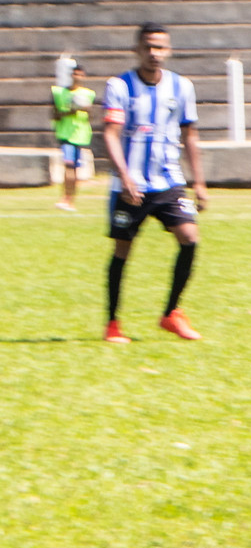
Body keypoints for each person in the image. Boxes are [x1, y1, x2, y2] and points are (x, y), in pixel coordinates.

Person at [101, 23, 207, 344]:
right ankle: (112, 324)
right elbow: (110, 133)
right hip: (131, 185)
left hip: (168, 182)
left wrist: (198, 182)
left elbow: (190, 135)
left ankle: (171, 314)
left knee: (190, 238)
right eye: (148, 47)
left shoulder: (181, 87)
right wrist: (124, 175)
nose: (154, 54)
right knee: (123, 250)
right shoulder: (119, 85)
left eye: (159, 47)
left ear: (168, 50)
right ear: (137, 49)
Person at [51, 63, 94, 212]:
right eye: (75, 74)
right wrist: (70, 111)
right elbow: (55, 115)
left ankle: (70, 200)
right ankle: (64, 198)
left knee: (74, 169)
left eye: (80, 74)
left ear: (83, 76)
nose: (77, 77)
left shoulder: (88, 94)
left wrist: (86, 109)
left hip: (81, 135)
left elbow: (91, 117)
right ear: (71, 75)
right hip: (65, 134)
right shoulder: (59, 93)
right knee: (68, 165)